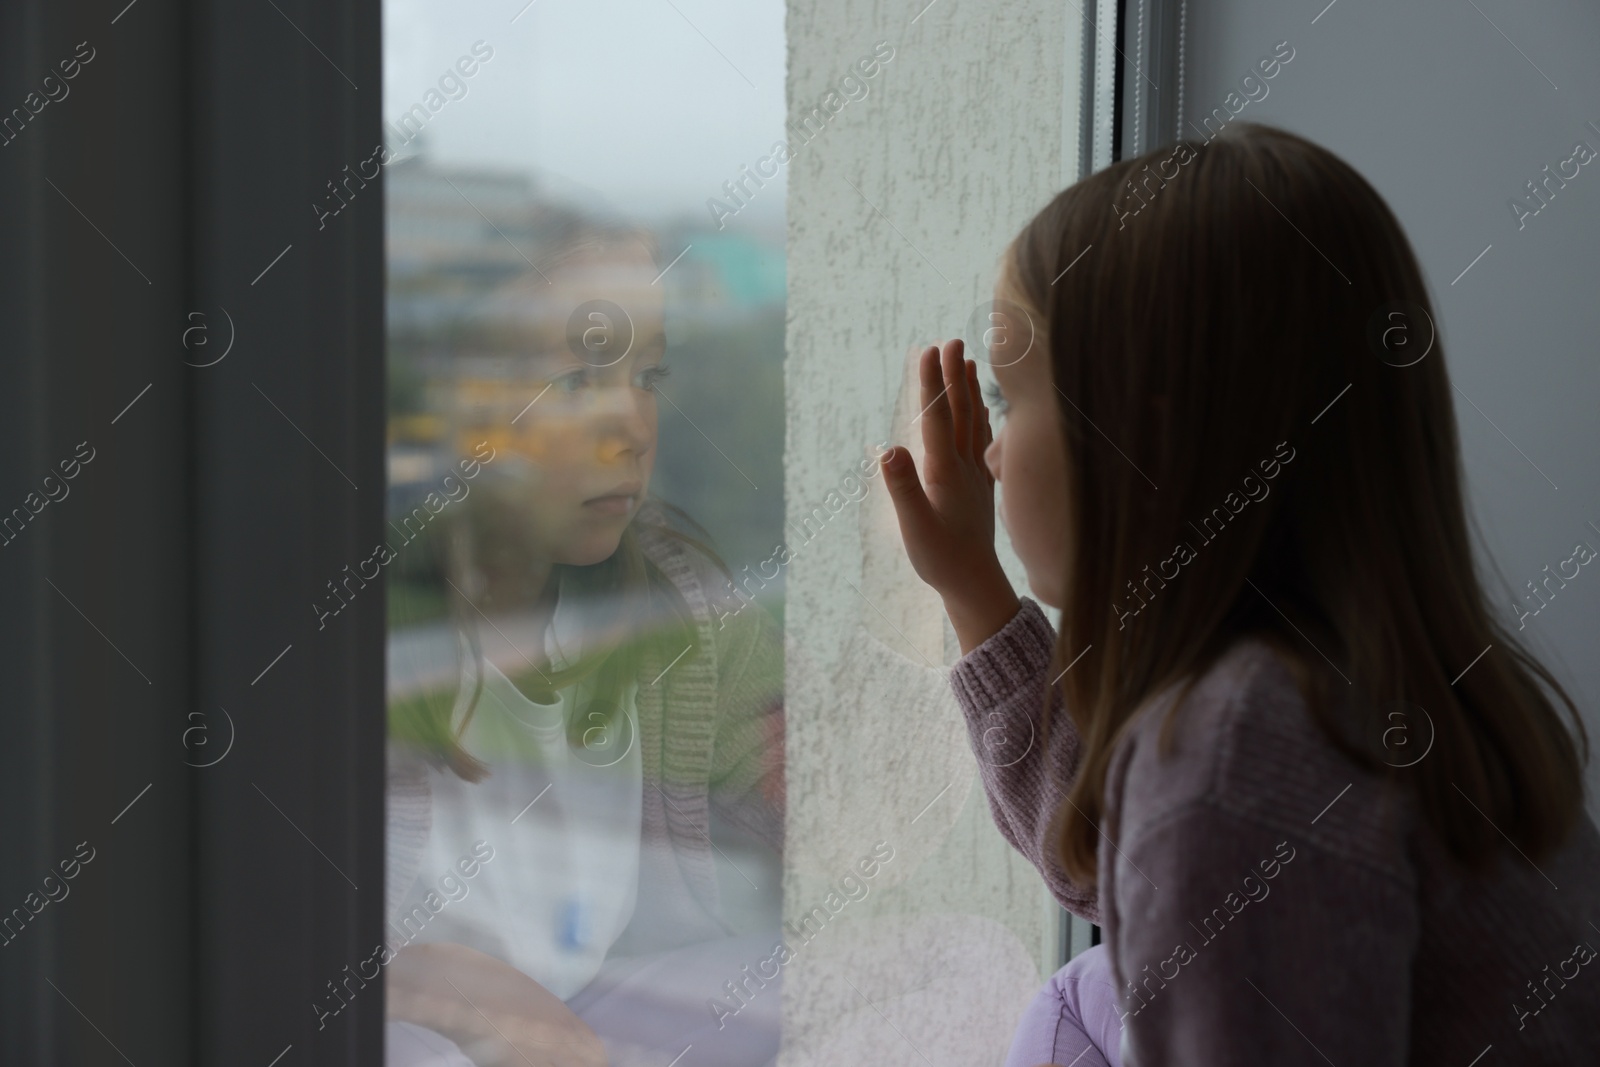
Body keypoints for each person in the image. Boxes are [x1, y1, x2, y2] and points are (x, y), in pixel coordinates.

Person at [876, 122, 1600, 1066]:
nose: (993, 453)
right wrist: (976, 587)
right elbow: (1122, 854)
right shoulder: (1379, 689)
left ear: (1149, 449)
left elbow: (1178, 832)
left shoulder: (1241, 756)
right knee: (1085, 990)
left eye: (1013, 400)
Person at [383, 225, 785, 1067]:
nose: (633, 425)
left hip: (607, 1014)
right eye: (578, 379)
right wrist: (477, 1005)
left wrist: (807, 797)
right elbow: (252, 928)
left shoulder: (681, 605)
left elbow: (816, 825)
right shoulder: (364, 627)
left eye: (649, 376)